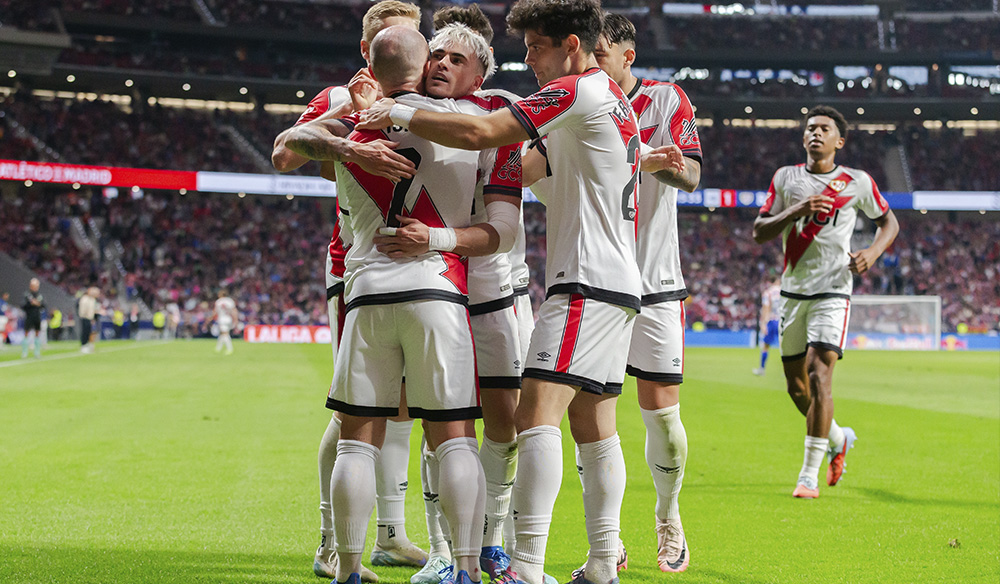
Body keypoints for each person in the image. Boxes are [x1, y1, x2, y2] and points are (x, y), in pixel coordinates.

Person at [356, 2, 682, 583]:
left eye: (536, 46)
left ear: (571, 45)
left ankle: (526, 567)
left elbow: (486, 130)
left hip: (583, 282)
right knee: (595, 424)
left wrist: (397, 109)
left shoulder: (576, 91)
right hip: (619, 284)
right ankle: (604, 561)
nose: (528, 59)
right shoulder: (609, 104)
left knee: (535, 417)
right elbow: (515, 165)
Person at [286, 25, 521, 584]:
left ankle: (346, 568)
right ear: (421, 66)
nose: (441, 63)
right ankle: (465, 566)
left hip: (365, 292)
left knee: (357, 442)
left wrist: (350, 136)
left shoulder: (352, 113)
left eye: (452, 57)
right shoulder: (474, 127)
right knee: (454, 437)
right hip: (438, 292)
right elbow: (501, 224)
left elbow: (285, 149)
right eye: (435, 54)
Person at [272, 2, 425, 580]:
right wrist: (345, 143)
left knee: (404, 406)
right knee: (354, 408)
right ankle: (331, 540)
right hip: (355, 268)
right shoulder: (342, 95)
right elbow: (286, 153)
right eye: (400, 37)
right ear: (371, 49)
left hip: (419, 266)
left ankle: (390, 533)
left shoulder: (429, 95)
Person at [589, 13, 702, 575]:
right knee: (591, 416)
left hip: (655, 283)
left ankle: (668, 514)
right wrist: (641, 160)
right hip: (593, 282)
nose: (593, 59)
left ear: (627, 55)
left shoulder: (665, 99)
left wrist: (672, 170)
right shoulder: (581, 100)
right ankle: (606, 538)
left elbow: (694, 175)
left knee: (661, 417)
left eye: (601, 51)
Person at [752, 105, 899, 499]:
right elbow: (759, 231)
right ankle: (838, 438)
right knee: (797, 388)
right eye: (811, 128)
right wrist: (798, 208)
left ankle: (808, 475)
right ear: (804, 138)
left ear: (840, 141)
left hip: (834, 290)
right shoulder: (786, 178)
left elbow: (890, 222)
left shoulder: (857, 182)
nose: (816, 133)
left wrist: (872, 252)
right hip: (793, 291)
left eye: (824, 129)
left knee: (820, 373)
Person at [753, 276, 782, 376]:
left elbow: (766, 308)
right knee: (785, 347)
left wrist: (763, 324)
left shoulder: (768, 293)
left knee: (765, 346)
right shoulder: (784, 291)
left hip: (772, 321)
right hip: (783, 321)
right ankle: (787, 371)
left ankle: (762, 369)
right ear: (777, 281)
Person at [21, 278, 44, 358]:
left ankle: (37, 352)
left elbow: (44, 305)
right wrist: (31, 303)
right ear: (30, 286)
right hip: (29, 316)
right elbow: (23, 305)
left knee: (37, 334)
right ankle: (24, 352)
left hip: (37, 316)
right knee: (26, 333)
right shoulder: (27, 295)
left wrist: (37, 303)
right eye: (34, 285)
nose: (35, 287)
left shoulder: (40, 295)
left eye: (37, 286)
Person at [212, 290, 238, 355]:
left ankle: (230, 349)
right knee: (222, 334)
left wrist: (210, 318)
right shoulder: (230, 301)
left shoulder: (218, 302)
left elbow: (215, 311)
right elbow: (234, 311)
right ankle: (218, 348)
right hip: (229, 319)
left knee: (225, 334)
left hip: (222, 319)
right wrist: (236, 320)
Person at [78, 286, 101, 354]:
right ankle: (83, 345)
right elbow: (83, 310)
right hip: (85, 317)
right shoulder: (85, 299)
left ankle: (87, 345)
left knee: (89, 332)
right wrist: (85, 316)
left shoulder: (92, 299)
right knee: (84, 332)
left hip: (90, 318)